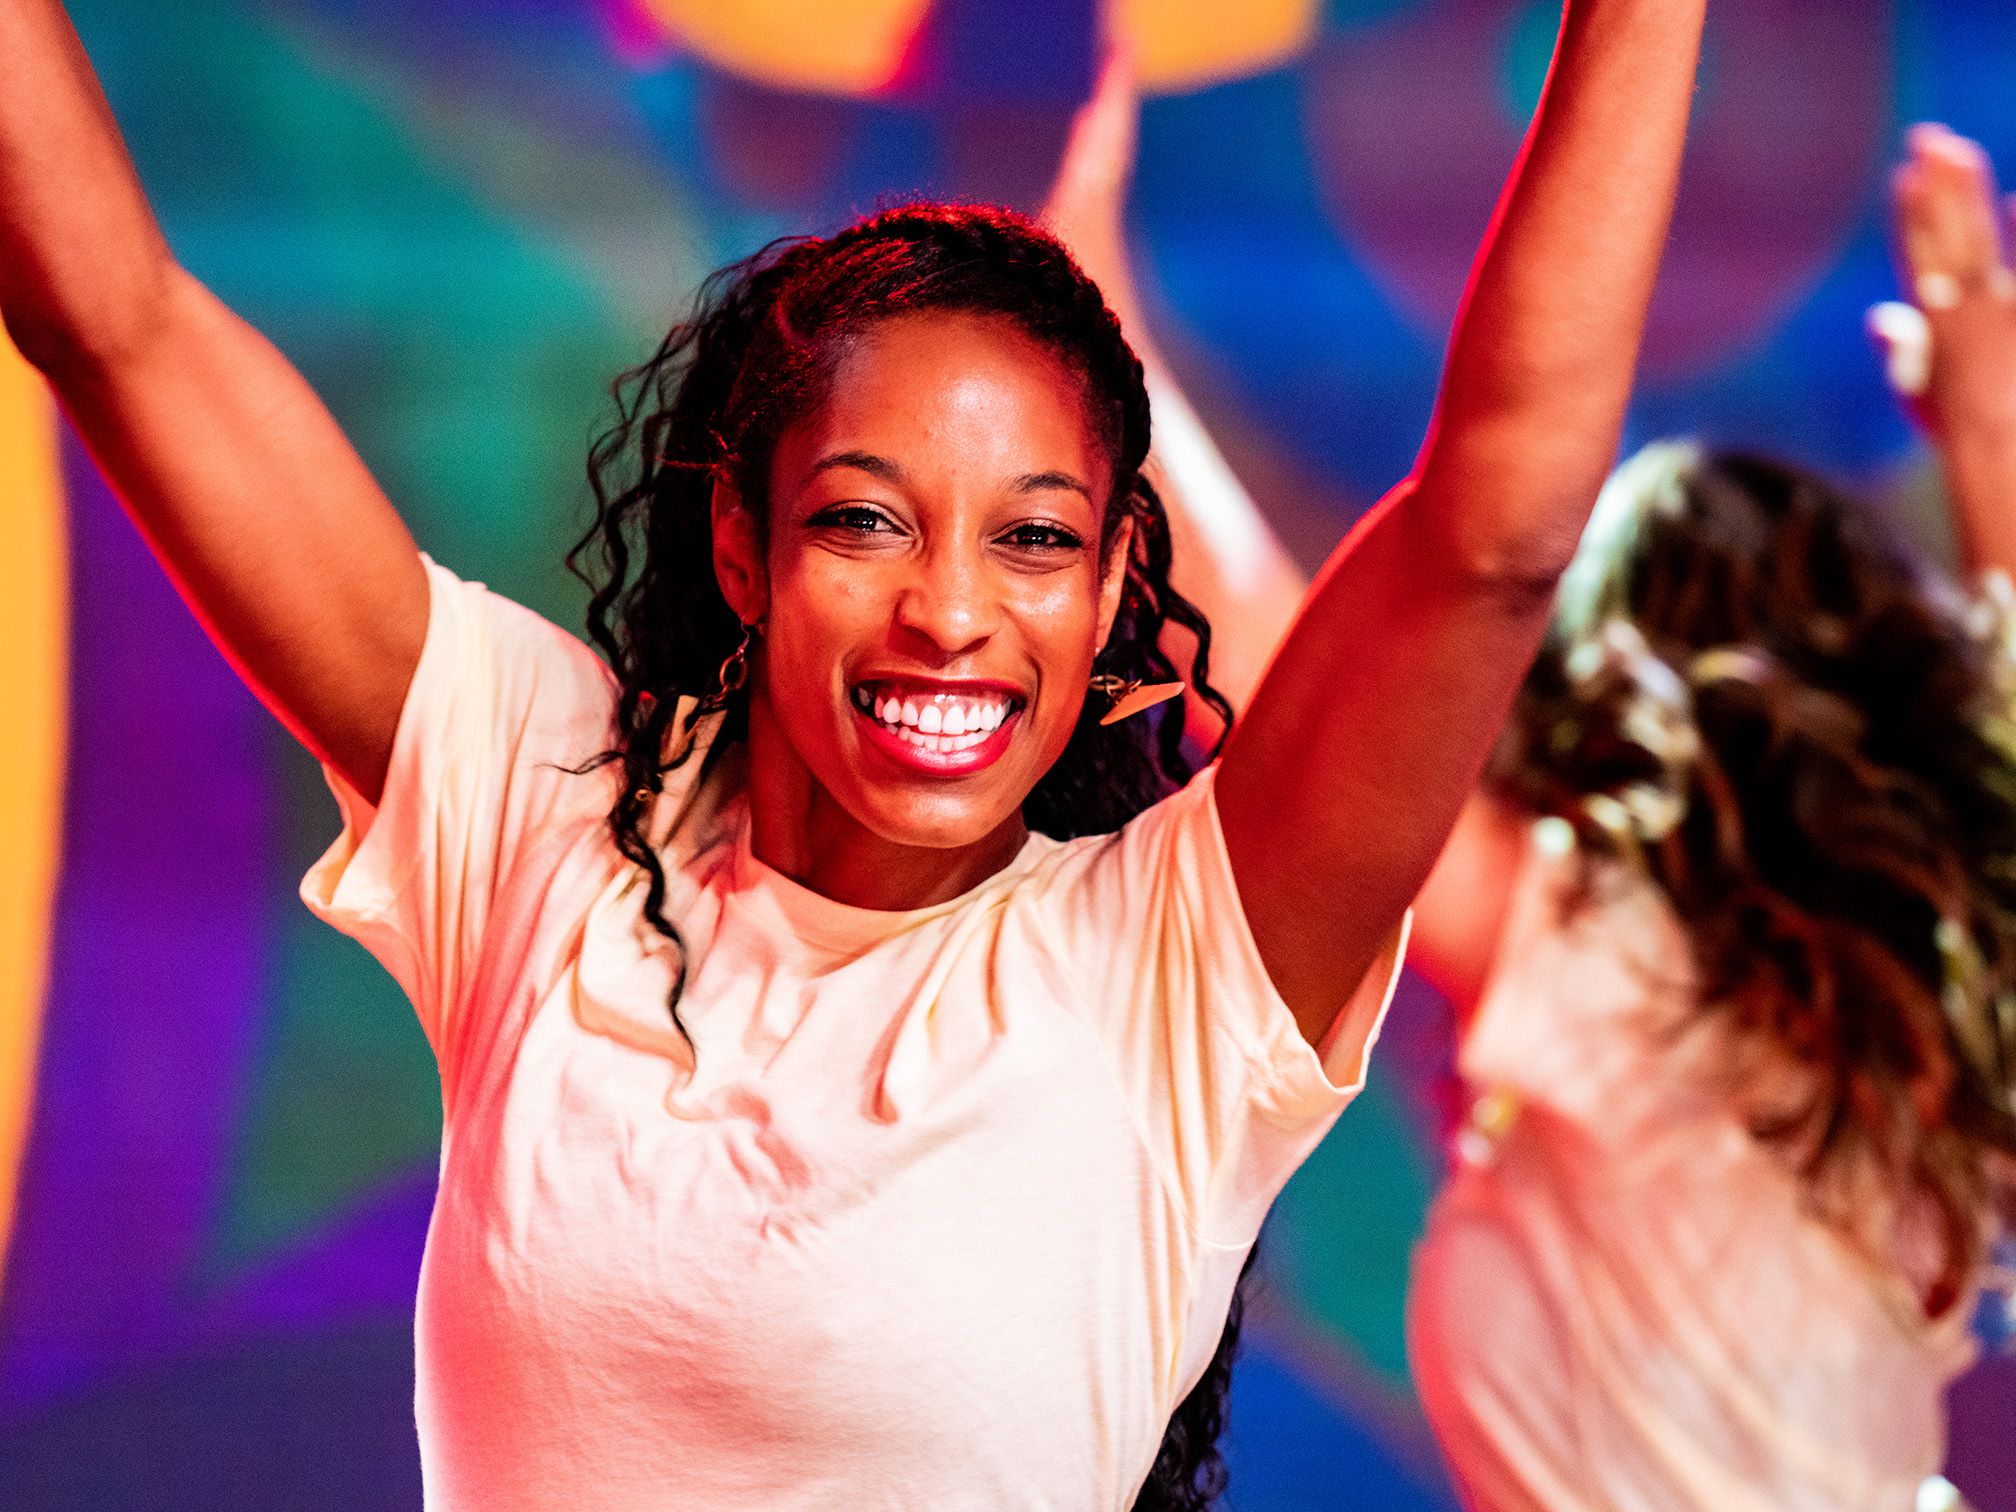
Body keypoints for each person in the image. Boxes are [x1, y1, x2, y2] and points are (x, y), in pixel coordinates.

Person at [0, 1, 1705, 1506]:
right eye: (867, 522)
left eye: (1033, 541)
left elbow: (1489, 533)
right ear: (742, 549)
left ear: (1117, 584)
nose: (949, 613)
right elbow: (117, 321)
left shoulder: (1178, 969)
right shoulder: (545, 821)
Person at [1055, 68, 2016, 1511]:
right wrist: (1991, 429)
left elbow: (1270, 669)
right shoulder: (1936, 1012)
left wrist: (1085, 287)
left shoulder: (1637, 988)